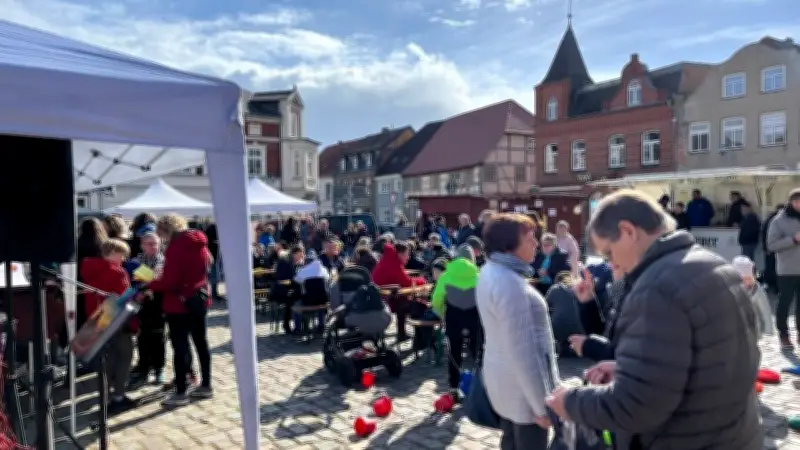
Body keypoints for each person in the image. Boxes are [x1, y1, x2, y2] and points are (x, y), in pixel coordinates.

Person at [546, 189, 762, 450]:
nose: (612, 264)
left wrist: (570, 402)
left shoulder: (657, 287)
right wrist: (629, 368)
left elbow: (637, 405)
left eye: (610, 253)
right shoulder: (712, 263)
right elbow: (707, 360)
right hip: (732, 433)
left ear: (627, 231)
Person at [476, 213, 556, 449]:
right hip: (523, 392)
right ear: (508, 246)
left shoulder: (492, 271)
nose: (536, 243)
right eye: (530, 238)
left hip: (505, 382)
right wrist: (542, 405)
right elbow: (523, 351)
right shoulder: (509, 283)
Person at [148, 214, 214, 406]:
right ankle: (206, 384)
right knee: (201, 342)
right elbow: (205, 266)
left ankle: (181, 391)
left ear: (165, 230)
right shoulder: (200, 242)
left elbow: (170, 281)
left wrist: (150, 283)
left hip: (179, 303)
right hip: (199, 298)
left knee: (180, 347)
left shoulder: (176, 247)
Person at [81, 239, 136, 410]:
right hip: (115, 319)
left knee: (108, 357)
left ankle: (107, 393)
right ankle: (118, 396)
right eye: (122, 254)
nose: (124, 259)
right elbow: (125, 299)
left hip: (98, 317)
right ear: (112, 252)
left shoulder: (89, 268)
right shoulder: (117, 272)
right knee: (125, 356)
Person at [431, 245, 481, 399]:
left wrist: (441, 314)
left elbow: (437, 300)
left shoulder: (446, 276)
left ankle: (453, 388)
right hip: (475, 320)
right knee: (478, 353)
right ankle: (481, 386)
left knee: (454, 353)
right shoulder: (479, 276)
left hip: (453, 319)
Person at [130, 232, 166, 385]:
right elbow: (133, 282)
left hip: (159, 304)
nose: (152, 247)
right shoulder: (135, 261)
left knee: (158, 337)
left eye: (155, 243)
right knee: (142, 337)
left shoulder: (165, 261)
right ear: (142, 245)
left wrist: (149, 280)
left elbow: (161, 281)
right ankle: (143, 368)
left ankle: (159, 369)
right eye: (148, 243)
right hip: (141, 303)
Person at [371, 241, 426, 341]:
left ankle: (402, 333)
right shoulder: (393, 263)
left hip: (381, 298)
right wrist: (423, 281)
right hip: (385, 302)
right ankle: (420, 339)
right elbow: (407, 282)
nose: (408, 257)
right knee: (418, 305)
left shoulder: (388, 260)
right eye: (407, 254)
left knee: (403, 299)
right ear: (400, 254)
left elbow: (401, 280)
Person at [767, 189, 800, 349]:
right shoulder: (778, 220)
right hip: (787, 269)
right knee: (784, 302)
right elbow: (771, 245)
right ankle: (783, 334)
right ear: (791, 202)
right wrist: (793, 239)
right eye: (798, 202)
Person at [274, 245, 306, 334]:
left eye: (302, 255)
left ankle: (302, 325)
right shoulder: (285, 262)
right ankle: (287, 325)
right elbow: (281, 279)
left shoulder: (299, 263)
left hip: (293, 288)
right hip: (282, 289)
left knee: (301, 296)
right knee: (292, 299)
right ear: (294, 254)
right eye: (300, 254)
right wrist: (293, 279)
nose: (302, 257)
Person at [762, 204, 784, 292]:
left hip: (770, 248)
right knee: (775, 267)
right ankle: (775, 286)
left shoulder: (770, 219)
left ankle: (769, 284)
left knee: (769, 266)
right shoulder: (777, 220)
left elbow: (764, 234)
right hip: (775, 248)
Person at [205, 222, 224, 302]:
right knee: (214, 277)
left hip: (217, 257)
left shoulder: (214, 228)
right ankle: (214, 294)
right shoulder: (212, 228)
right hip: (214, 258)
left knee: (216, 277)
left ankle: (214, 294)